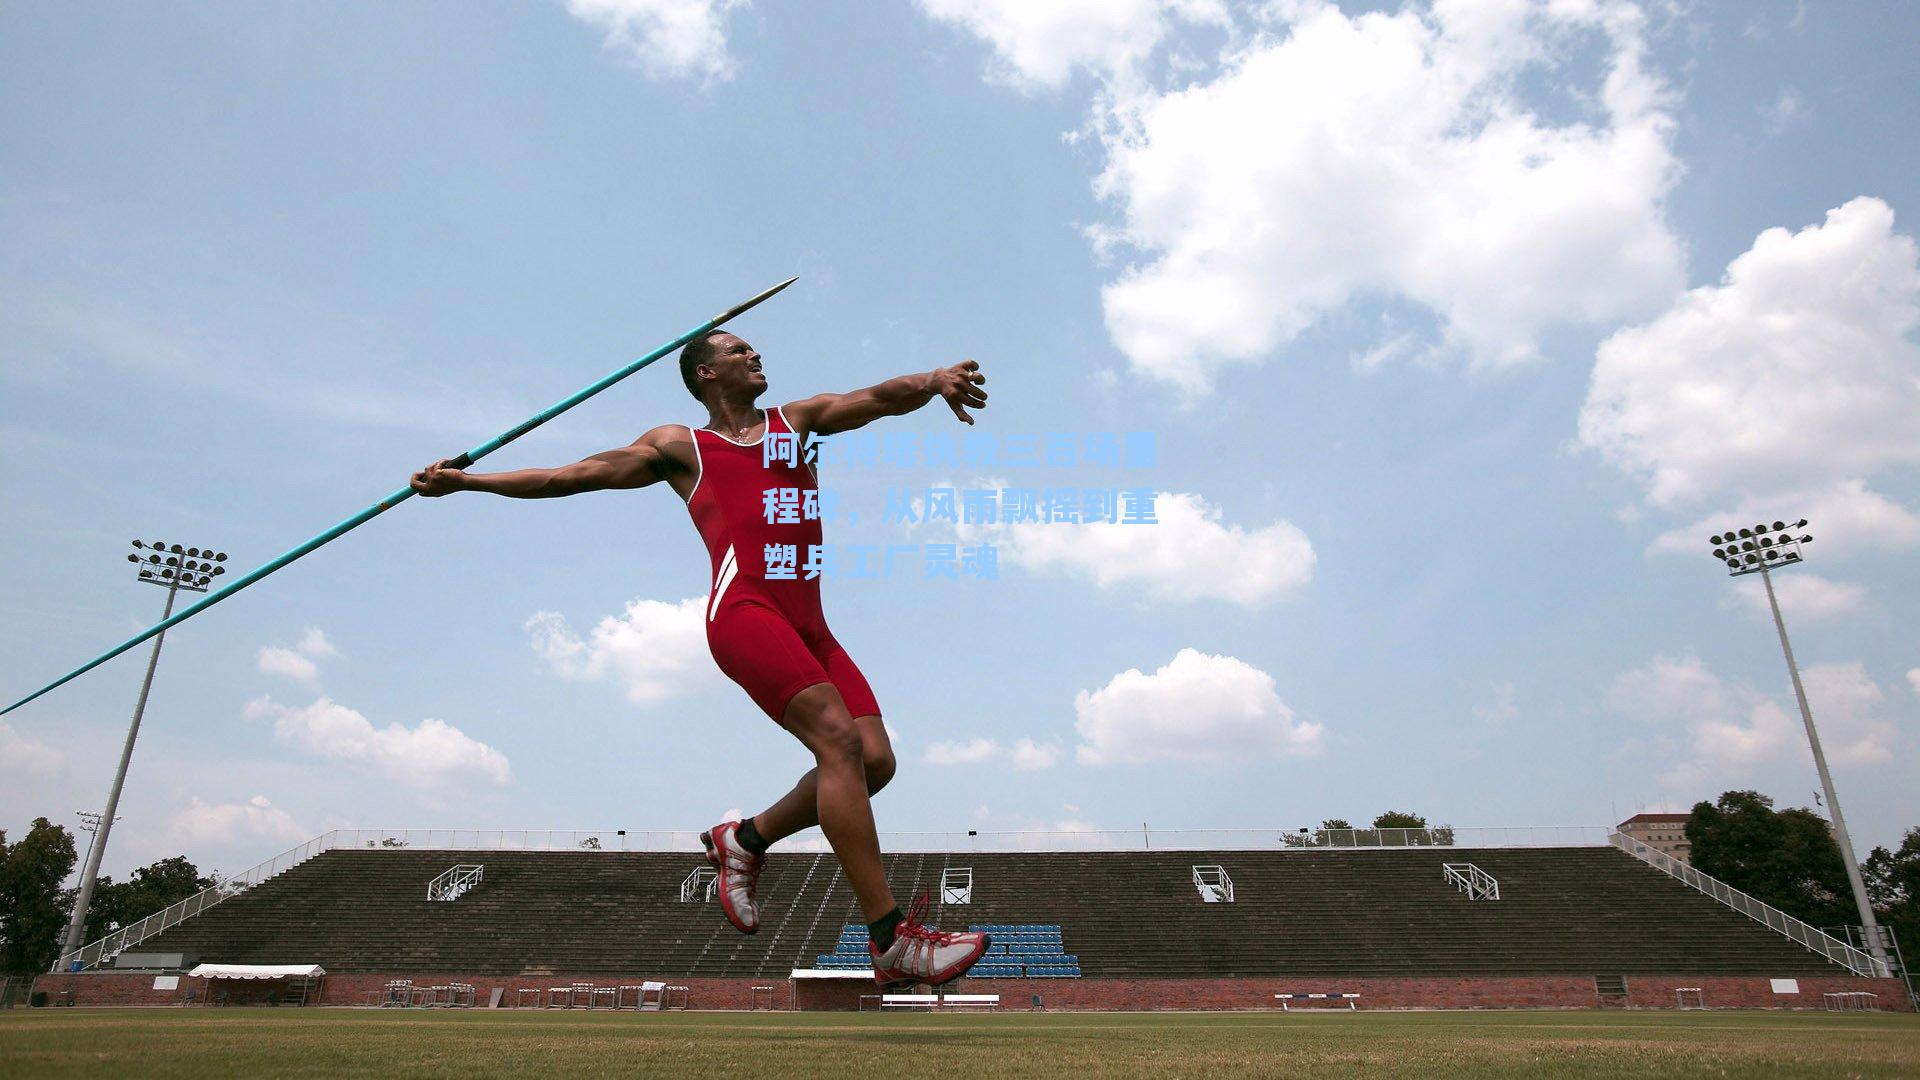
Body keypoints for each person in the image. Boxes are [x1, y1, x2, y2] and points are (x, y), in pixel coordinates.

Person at [410, 330, 991, 987]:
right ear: (706, 373)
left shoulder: (794, 423)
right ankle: (890, 938)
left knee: (874, 761)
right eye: (739, 350)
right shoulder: (679, 447)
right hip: (745, 612)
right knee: (838, 741)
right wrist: (467, 481)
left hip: (812, 627)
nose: (756, 354)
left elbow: (877, 399)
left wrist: (934, 377)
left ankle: (743, 841)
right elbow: (568, 477)